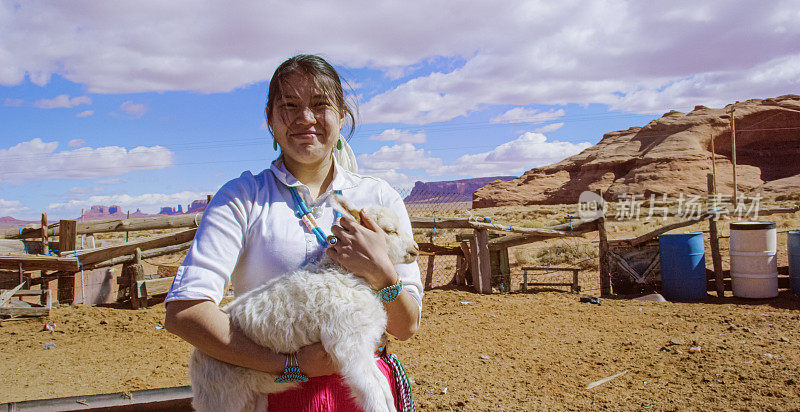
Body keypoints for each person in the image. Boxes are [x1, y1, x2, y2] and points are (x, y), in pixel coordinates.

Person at [164, 54, 423, 411]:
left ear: (341, 115)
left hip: (362, 391)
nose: (305, 118)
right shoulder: (242, 198)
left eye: (320, 105)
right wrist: (291, 366)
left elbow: (406, 326)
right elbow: (185, 313)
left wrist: (381, 272)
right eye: (289, 106)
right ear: (270, 119)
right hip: (271, 394)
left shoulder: (379, 198)